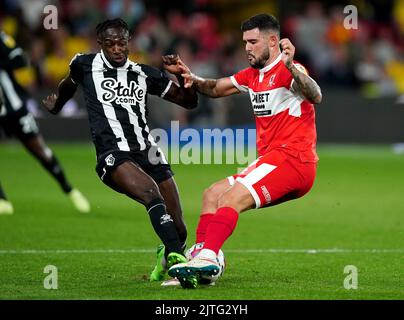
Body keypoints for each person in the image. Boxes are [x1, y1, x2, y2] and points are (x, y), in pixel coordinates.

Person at [168, 13, 322, 288]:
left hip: (293, 160)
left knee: (231, 197)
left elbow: (315, 95)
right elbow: (215, 88)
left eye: (253, 41)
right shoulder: (252, 76)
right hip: (272, 160)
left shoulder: (290, 70)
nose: (247, 48)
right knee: (212, 195)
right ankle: (200, 263)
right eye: (245, 42)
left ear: (273, 41)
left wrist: (292, 68)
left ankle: (209, 257)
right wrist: (192, 77)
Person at [42, 18, 198, 281]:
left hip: (148, 152)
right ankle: (180, 264)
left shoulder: (145, 73)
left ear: (128, 43)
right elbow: (68, 84)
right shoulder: (84, 64)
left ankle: (166, 257)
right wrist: (57, 105)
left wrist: (181, 74)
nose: (117, 49)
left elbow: (189, 101)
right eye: (111, 44)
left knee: (179, 228)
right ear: (101, 44)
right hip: (113, 153)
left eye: (122, 43)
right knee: (152, 194)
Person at [0, 30, 90, 215]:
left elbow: (20, 60)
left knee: (41, 151)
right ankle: (2, 200)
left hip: (14, 108)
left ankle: (69, 189)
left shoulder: (1, 38)